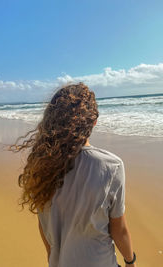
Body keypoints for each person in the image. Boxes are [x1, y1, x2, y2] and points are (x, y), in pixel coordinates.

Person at [9, 82, 137, 267]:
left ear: (51, 121)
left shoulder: (41, 165)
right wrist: (130, 261)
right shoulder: (111, 166)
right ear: (93, 121)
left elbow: (44, 227)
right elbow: (119, 230)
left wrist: (54, 258)